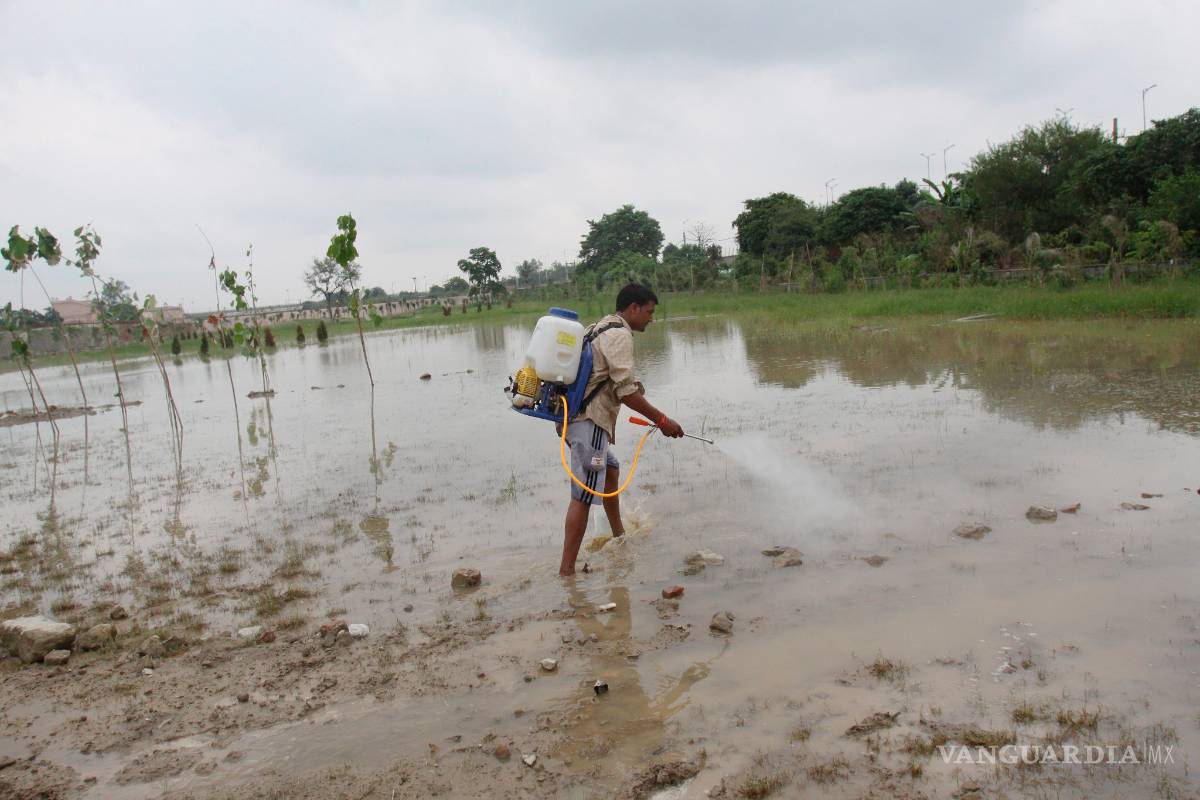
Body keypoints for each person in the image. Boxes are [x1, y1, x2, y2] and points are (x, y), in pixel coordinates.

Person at [558, 283, 683, 576]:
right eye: (649, 312)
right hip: (589, 423)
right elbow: (626, 392)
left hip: (578, 421)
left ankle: (619, 536)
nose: (651, 318)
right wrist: (663, 421)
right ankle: (566, 572)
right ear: (633, 308)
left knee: (610, 470)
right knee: (584, 494)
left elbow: (612, 380)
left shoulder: (600, 327)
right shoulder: (619, 334)